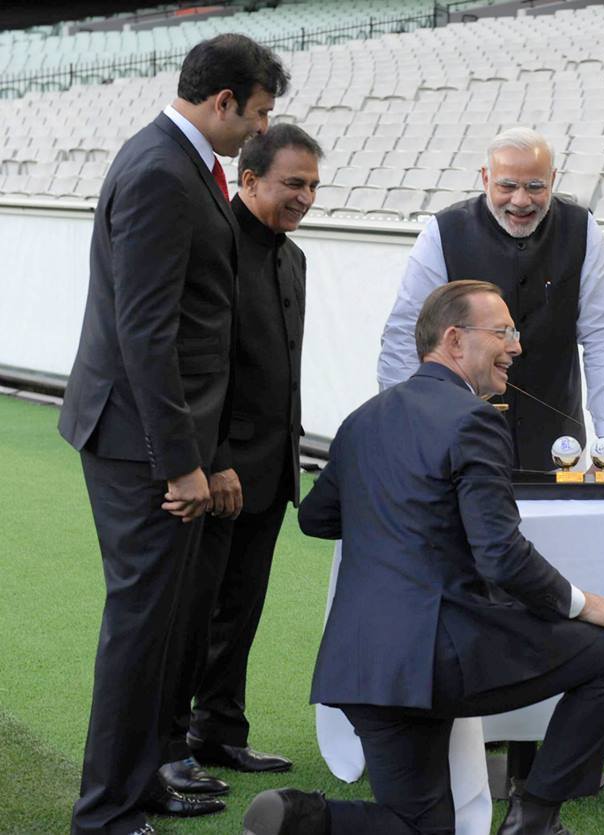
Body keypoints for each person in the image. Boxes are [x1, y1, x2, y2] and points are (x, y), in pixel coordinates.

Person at [243, 280, 604, 835]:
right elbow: (501, 555)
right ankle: (535, 817)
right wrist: (581, 603)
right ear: (455, 340)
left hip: (361, 664)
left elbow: (317, 518)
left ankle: (300, 818)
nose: (517, 346)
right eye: (503, 332)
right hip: (438, 660)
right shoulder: (474, 419)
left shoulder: (364, 418)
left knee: (419, 827)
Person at [58, 34, 288, 835]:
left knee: (165, 623)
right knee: (142, 626)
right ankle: (108, 811)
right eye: (259, 113)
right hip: (139, 444)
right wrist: (183, 462)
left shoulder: (184, 164)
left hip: (153, 437)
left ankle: (146, 773)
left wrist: (206, 454)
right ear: (224, 101)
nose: (261, 129)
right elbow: (146, 333)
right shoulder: (161, 169)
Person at [158, 124, 322, 797]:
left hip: (270, 470)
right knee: (188, 616)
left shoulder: (294, 259)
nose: (305, 197)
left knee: (239, 611)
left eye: (312, 185)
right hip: (215, 472)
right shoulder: (213, 249)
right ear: (249, 179)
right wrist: (215, 456)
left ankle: (218, 729)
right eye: (293, 184)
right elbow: (196, 366)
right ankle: (165, 745)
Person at [377, 127, 604, 471]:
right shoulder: (442, 232)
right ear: (485, 178)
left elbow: (603, 336)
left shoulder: (582, 229)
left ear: (553, 180)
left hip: (557, 446)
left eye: (535, 187)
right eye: (507, 186)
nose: (521, 200)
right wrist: (402, 428)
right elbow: (406, 334)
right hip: (458, 440)